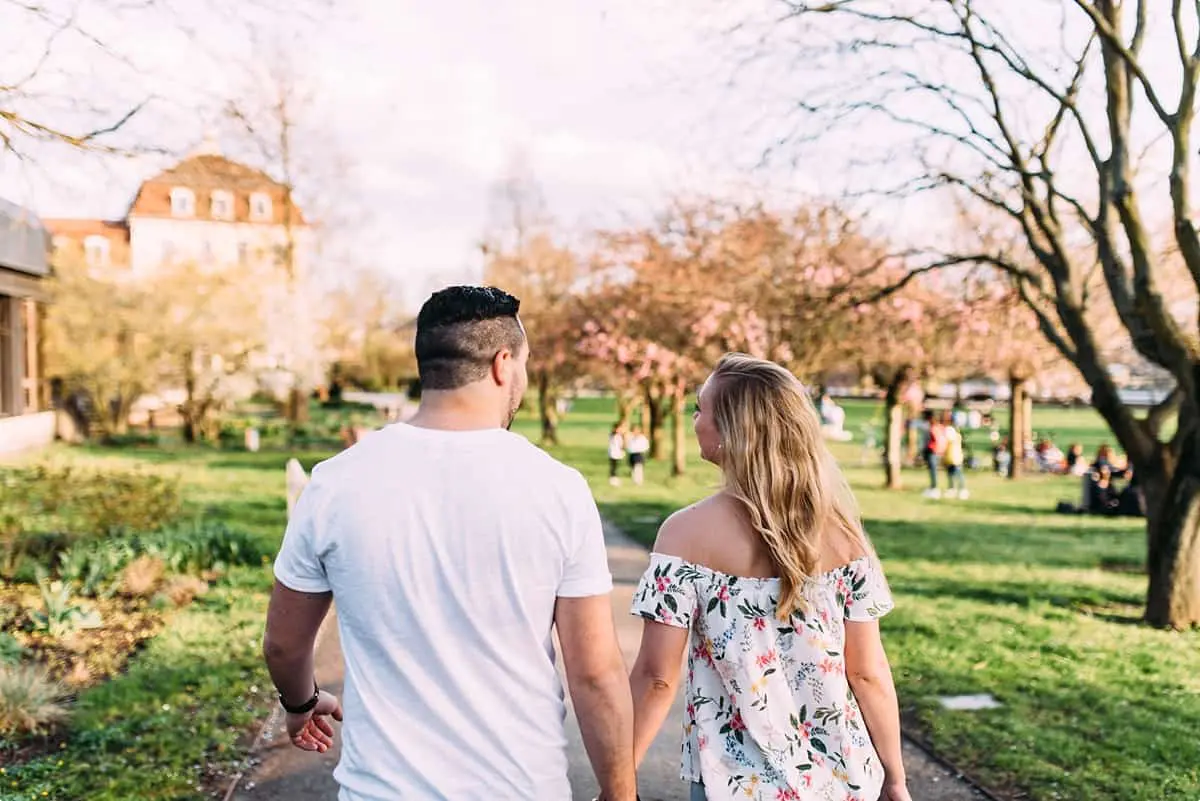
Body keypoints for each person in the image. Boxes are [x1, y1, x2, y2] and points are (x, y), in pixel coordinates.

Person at [262, 286, 637, 801]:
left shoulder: (335, 482)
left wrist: (300, 703)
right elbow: (594, 673)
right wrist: (622, 794)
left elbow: (283, 643)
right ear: (504, 364)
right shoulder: (558, 488)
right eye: (523, 365)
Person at [627, 354, 910, 801]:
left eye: (701, 409)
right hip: (845, 781)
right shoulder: (844, 538)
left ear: (732, 432)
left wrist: (618, 780)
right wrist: (895, 777)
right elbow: (868, 672)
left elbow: (656, 677)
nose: (695, 420)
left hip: (734, 784)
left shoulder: (683, 536)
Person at [942, 412, 968, 499]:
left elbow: (947, 441)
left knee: (957, 474)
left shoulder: (950, 430)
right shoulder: (956, 431)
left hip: (954, 456)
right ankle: (952, 489)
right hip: (952, 456)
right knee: (952, 474)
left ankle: (961, 490)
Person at [920, 409, 945, 498]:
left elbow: (933, 440)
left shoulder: (933, 428)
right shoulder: (939, 427)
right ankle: (933, 487)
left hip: (932, 451)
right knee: (932, 470)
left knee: (933, 471)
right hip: (936, 451)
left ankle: (934, 488)